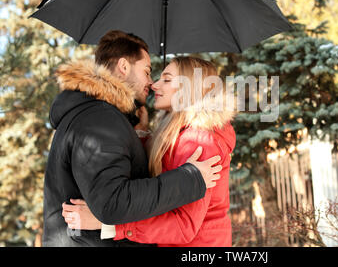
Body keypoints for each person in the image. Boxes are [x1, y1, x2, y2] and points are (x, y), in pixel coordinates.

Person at [43, 31, 222, 247]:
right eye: (147, 72)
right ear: (124, 67)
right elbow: (112, 203)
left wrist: (139, 132)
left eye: (163, 78)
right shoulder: (100, 119)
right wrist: (189, 178)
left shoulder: (94, 114)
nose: (151, 82)